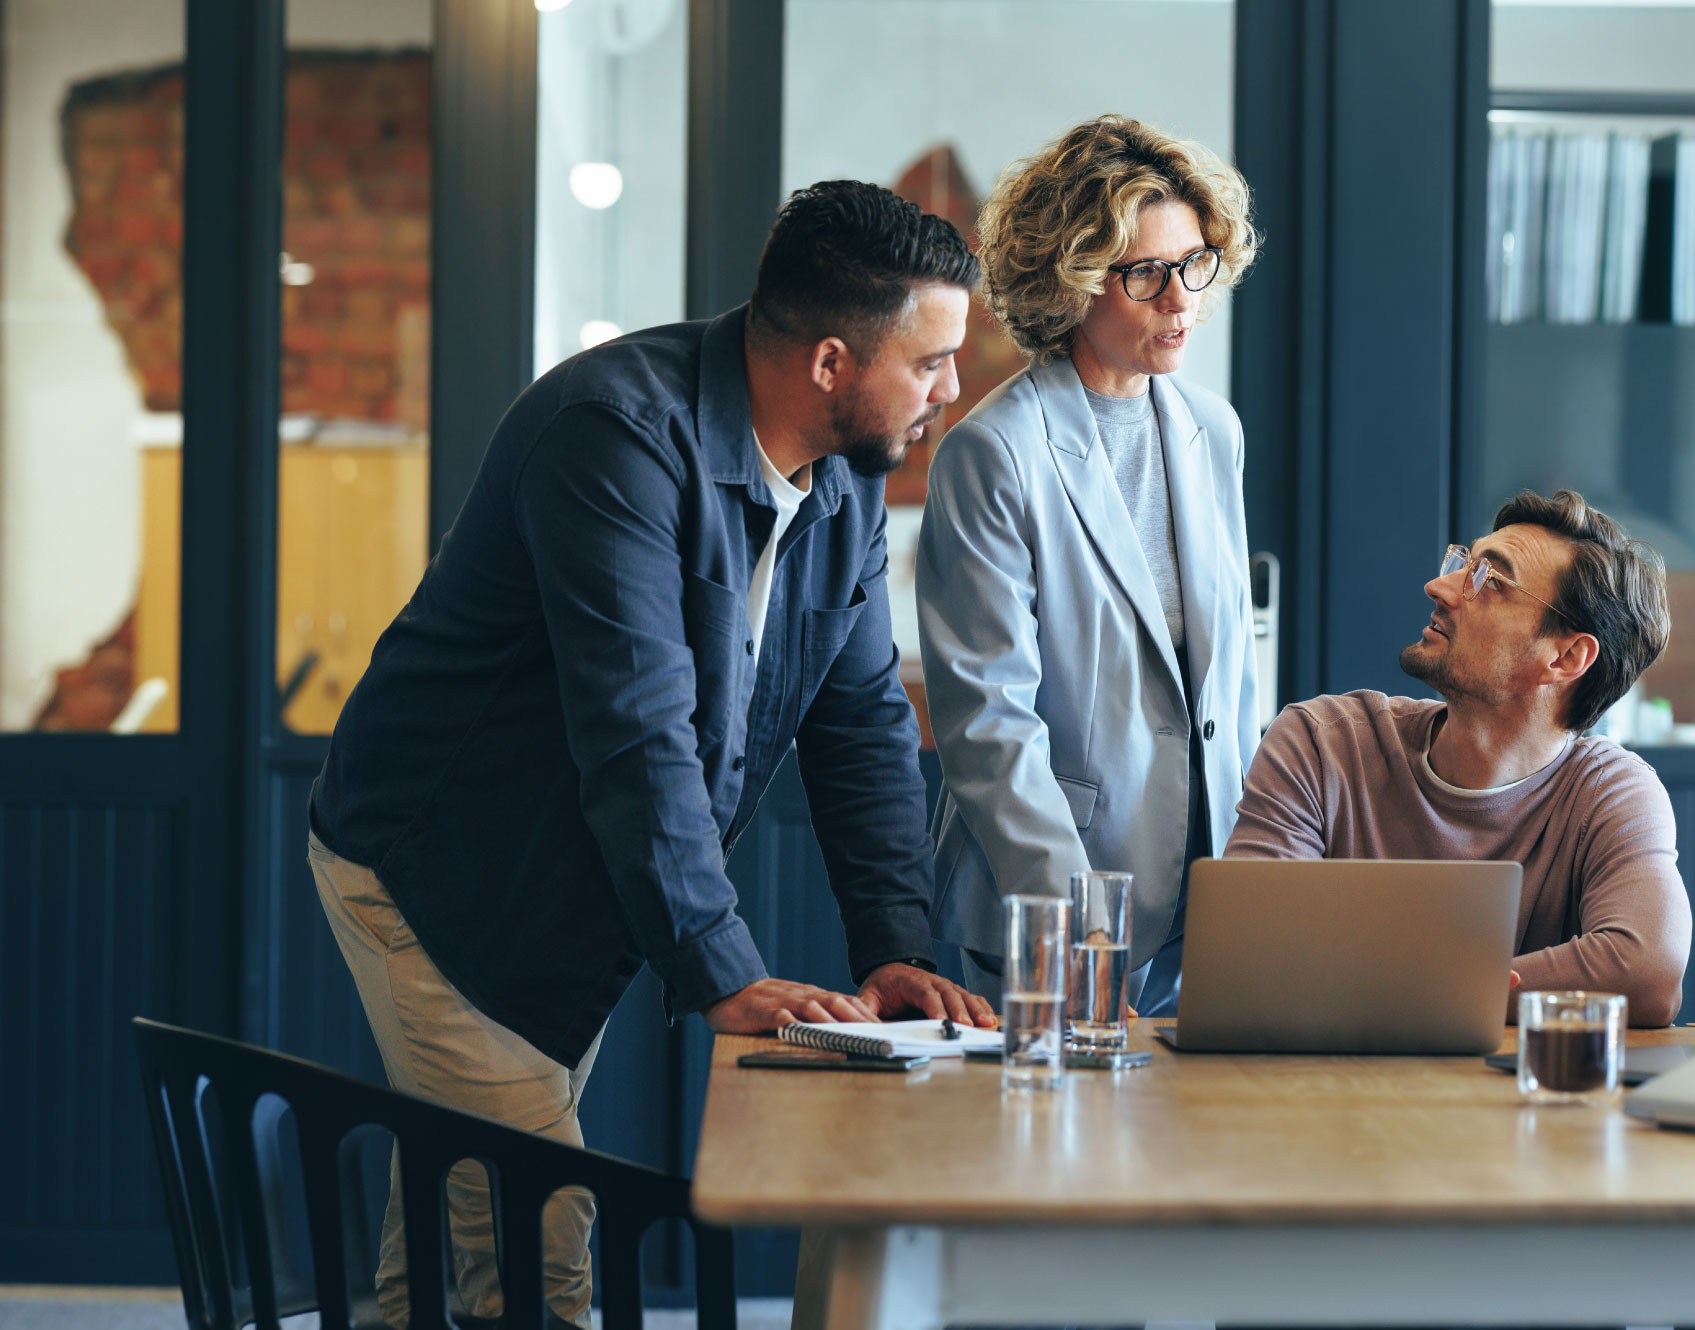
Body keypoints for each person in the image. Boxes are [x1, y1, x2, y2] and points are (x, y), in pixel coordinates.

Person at [306, 181, 993, 1329]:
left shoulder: (841, 484)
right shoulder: (614, 436)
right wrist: (721, 967)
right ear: (832, 362)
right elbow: (637, 726)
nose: (950, 389)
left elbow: (862, 720)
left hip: (569, 875)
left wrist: (895, 953)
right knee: (534, 1249)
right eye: (928, 362)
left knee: (453, 1242)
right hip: (434, 872)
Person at [917, 115, 1260, 1013]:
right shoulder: (994, 451)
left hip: (1210, 897)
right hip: (1057, 900)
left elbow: (1230, 679)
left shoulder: (1211, 430)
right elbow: (989, 723)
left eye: (1193, 263)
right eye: (1144, 273)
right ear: (1068, 282)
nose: (1179, 298)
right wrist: (1077, 924)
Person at [1225, 489, 1691, 1026]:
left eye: (1487, 580)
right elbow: (1251, 957)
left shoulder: (1611, 794)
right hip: (1325, 1098)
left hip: (1519, 1107)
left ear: (1566, 657)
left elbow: (1647, 972)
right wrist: (1464, 990)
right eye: (1460, 563)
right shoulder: (1322, 743)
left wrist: (1382, 990)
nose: (1440, 586)